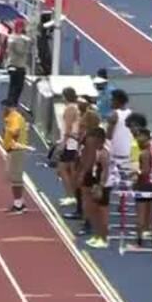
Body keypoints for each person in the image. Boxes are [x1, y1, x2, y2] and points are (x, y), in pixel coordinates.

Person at [80, 126, 113, 248]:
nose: (91, 144)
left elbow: (105, 171)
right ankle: (97, 235)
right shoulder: (98, 150)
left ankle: (103, 239)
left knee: (102, 213)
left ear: (100, 140)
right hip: (97, 181)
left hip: (104, 185)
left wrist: (100, 186)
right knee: (94, 211)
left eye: (93, 142)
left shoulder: (104, 153)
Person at [1, 98, 31, 214]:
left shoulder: (15, 117)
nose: (2, 110)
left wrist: (10, 142)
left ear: (9, 107)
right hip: (14, 150)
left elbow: (15, 132)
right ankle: (19, 203)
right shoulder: (11, 117)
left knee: (16, 178)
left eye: (4, 107)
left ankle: (19, 205)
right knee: (13, 177)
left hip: (16, 150)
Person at [56, 87, 82, 215]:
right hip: (73, 143)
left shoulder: (70, 109)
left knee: (62, 169)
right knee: (70, 170)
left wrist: (62, 144)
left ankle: (71, 196)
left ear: (65, 96)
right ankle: (73, 196)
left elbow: (68, 128)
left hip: (70, 143)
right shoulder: (75, 107)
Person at [133, 128, 152, 247]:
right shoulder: (150, 151)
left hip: (143, 185)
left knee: (141, 213)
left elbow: (145, 171)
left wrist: (135, 173)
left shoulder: (144, 154)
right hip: (151, 185)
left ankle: (139, 239)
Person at [3, 18, 31, 106]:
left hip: (12, 63)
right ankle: (12, 102)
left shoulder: (12, 37)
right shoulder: (18, 39)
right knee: (18, 86)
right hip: (18, 64)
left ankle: (10, 100)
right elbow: (20, 51)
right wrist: (27, 44)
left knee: (13, 84)